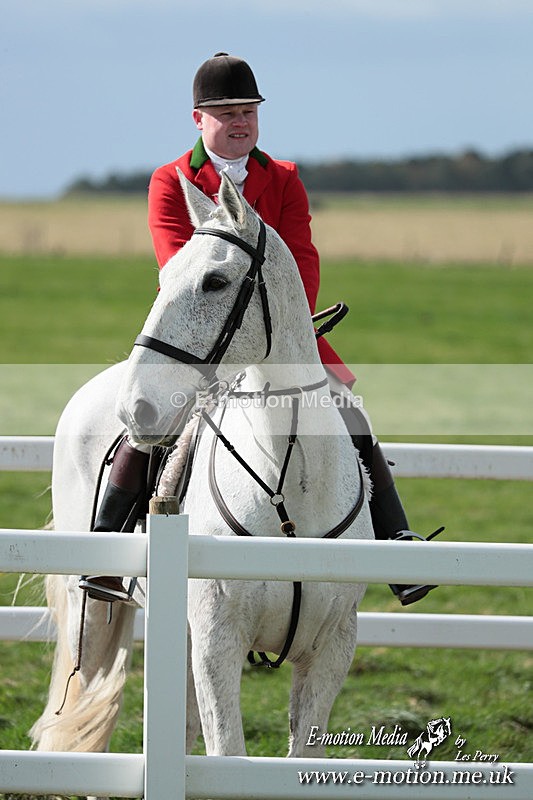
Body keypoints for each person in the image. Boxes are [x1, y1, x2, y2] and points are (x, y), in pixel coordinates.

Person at [80, 53, 441, 606]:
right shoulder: (170, 180)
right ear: (198, 119)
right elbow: (178, 269)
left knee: (349, 410)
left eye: (248, 110)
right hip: (200, 333)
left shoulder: (286, 179)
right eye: (226, 112)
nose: (241, 121)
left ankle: (396, 544)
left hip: (282, 334)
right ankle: (106, 554)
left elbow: (301, 263)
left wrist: (279, 327)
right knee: (146, 421)